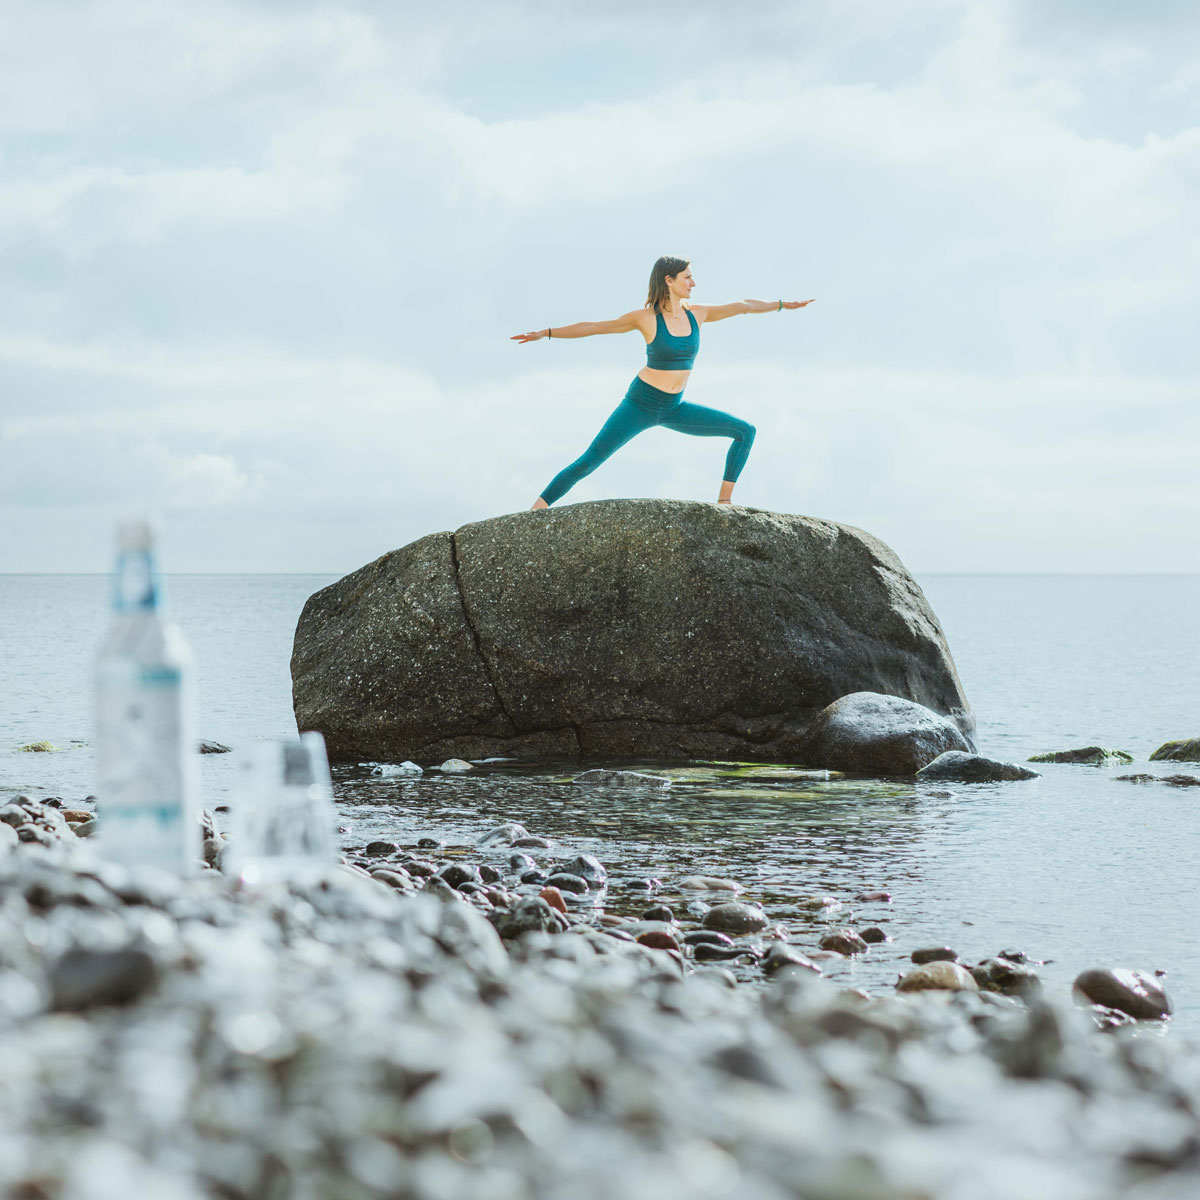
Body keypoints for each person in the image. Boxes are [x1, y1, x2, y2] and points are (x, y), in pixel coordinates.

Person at [512, 255, 814, 509]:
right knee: (589, 461)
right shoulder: (645, 318)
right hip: (640, 404)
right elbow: (594, 327)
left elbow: (744, 305)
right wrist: (547, 332)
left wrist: (783, 304)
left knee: (745, 431)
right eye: (688, 277)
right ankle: (534, 512)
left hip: (674, 407)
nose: (693, 283)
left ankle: (725, 505)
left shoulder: (699, 314)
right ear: (668, 280)